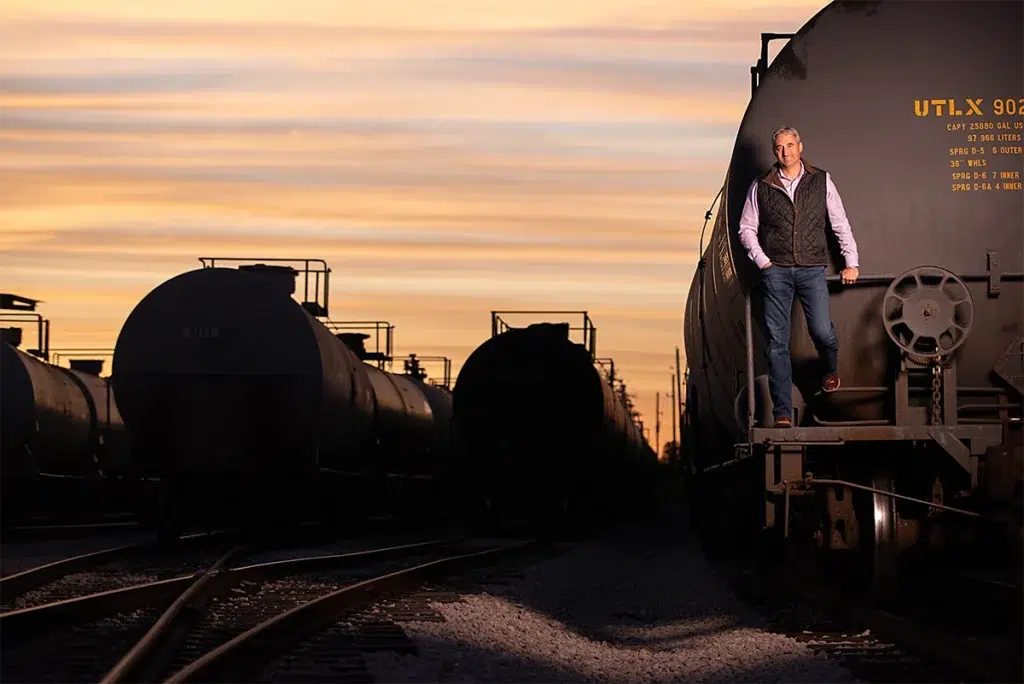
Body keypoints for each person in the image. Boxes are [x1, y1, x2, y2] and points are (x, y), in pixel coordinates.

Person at [737, 126, 860, 428]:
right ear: (774, 151)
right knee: (776, 344)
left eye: (790, 145)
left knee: (822, 331)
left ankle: (829, 369)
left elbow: (839, 222)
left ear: (800, 147)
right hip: (775, 272)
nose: (786, 152)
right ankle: (782, 412)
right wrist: (764, 262)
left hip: (811, 269)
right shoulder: (761, 185)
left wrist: (851, 263)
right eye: (780, 147)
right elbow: (746, 229)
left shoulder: (821, 180)